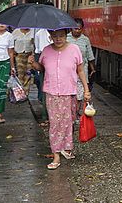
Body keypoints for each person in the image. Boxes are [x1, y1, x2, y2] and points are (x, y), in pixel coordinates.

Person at [28, 28, 91, 170]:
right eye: (55, 36)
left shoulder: (74, 49)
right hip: (52, 93)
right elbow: (41, 68)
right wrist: (32, 63)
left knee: (68, 121)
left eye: (61, 36)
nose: (58, 39)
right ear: (50, 37)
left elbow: (80, 70)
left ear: (66, 36)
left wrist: (86, 90)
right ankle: (56, 154)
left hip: (69, 92)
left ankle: (66, 148)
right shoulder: (46, 50)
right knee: (55, 123)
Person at [66, 18, 95, 117]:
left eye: (79, 29)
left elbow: (90, 55)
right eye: (75, 28)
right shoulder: (66, 38)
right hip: (68, 71)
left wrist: (93, 69)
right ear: (71, 28)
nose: (77, 31)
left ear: (82, 29)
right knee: (69, 93)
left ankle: (75, 112)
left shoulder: (85, 40)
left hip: (82, 71)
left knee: (80, 95)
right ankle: (70, 111)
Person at [11, 28, 36, 94]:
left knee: (28, 74)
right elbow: (11, 43)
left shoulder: (33, 32)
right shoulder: (16, 31)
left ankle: (26, 92)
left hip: (30, 55)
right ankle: (19, 92)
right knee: (20, 73)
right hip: (19, 55)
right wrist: (13, 51)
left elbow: (36, 44)